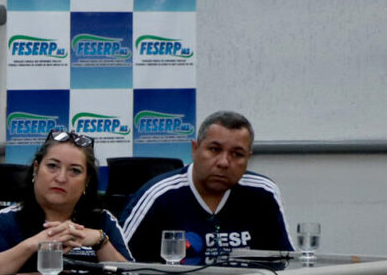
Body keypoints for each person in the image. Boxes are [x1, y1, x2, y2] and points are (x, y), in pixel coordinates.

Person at [122, 110, 291, 265]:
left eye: (237, 154)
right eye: (214, 150)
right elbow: (120, 264)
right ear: (194, 150)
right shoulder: (159, 196)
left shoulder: (263, 193)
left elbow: (285, 262)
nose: (224, 162)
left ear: (248, 158)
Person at [0, 130, 132, 274]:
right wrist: (30, 245)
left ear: (86, 181)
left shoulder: (103, 221)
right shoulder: (4, 222)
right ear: (36, 169)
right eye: (52, 166)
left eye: (75, 170)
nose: (61, 178)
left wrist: (101, 242)